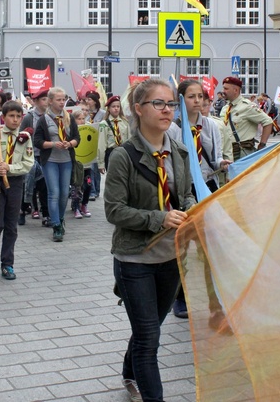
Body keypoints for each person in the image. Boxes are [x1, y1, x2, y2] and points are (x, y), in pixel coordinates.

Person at [104, 78, 196, 402]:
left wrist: (194, 211)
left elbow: (184, 197)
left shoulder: (180, 151)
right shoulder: (123, 156)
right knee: (149, 339)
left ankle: (129, 371)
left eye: (171, 104)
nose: (167, 110)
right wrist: (159, 218)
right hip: (135, 259)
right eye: (158, 103)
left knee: (150, 330)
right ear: (138, 109)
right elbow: (114, 211)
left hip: (170, 257)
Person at [173, 80, 231, 328]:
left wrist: (222, 164)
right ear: (181, 100)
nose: (197, 101)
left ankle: (214, 303)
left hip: (206, 189)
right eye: (191, 97)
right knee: (182, 247)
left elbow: (215, 157)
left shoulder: (211, 126)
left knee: (209, 250)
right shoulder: (173, 129)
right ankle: (179, 297)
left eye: (200, 96)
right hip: (183, 192)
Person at [0, 101, 34, 280]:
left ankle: (7, 264)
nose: (15, 119)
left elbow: (28, 163)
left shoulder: (25, 137)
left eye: (19, 116)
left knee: (11, 226)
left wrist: (10, 168)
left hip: (15, 184)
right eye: (11, 116)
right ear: (3, 118)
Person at [33, 87, 80, 242]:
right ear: (50, 101)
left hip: (66, 159)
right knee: (54, 192)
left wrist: (70, 143)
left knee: (64, 193)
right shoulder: (43, 119)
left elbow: (77, 138)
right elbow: (37, 142)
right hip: (50, 160)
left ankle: (60, 218)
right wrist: (53, 144)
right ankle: (56, 226)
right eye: (58, 100)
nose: (62, 102)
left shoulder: (69, 117)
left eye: (63, 99)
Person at [219, 76, 273, 161]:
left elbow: (268, 122)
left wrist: (262, 145)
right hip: (227, 153)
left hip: (242, 153)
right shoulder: (225, 108)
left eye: (226, 89)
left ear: (235, 90)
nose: (223, 91)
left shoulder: (247, 106)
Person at [20, 89, 50, 227]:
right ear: (36, 102)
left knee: (44, 186)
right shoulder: (29, 117)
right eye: (43, 99)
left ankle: (46, 214)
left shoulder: (51, 116)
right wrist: (26, 134)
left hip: (45, 155)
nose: (46, 102)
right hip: (30, 156)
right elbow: (20, 137)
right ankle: (23, 209)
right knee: (28, 184)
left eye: (48, 99)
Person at [69, 110, 92, 219]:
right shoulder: (71, 131)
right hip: (77, 163)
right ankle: (76, 207)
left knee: (88, 185)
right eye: (79, 119)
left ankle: (84, 205)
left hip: (87, 164)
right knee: (77, 186)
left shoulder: (89, 128)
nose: (82, 121)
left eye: (83, 118)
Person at [98, 95, 130, 173]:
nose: (116, 108)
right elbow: (101, 145)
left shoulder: (125, 122)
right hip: (111, 154)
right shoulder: (104, 124)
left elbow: (129, 140)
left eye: (118, 106)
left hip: (123, 153)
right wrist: (101, 164)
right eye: (113, 106)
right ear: (108, 109)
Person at [84, 91, 105, 200]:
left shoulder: (102, 113)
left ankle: (96, 190)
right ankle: (91, 191)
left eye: (90, 99)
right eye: (87, 99)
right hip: (88, 143)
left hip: (98, 142)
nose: (87, 101)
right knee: (90, 168)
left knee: (96, 168)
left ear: (95, 101)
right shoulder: (85, 113)